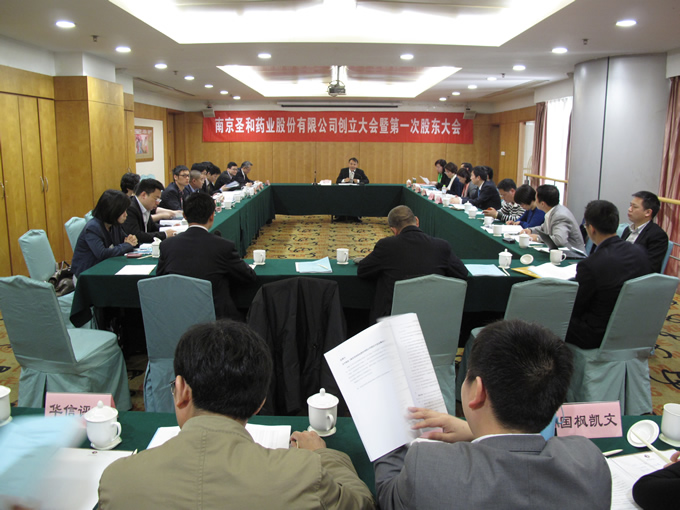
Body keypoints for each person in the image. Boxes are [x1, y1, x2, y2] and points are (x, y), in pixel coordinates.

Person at [98, 320, 375, 510]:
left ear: (181, 391)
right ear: (260, 403)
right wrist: (324, 455)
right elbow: (362, 502)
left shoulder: (117, 480)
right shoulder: (305, 474)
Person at [374, 319, 612, 510]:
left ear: (478, 391)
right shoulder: (588, 461)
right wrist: (472, 431)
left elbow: (388, 496)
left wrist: (388, 423)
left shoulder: (428, 466)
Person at [357, 205, 467, 323]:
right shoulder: (441, 246)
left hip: (393, 320)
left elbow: (363, 270)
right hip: (434, 317)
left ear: (393, 230)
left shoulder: (386, 246)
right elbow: (462, 273)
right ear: (417, 221)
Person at [565, 200, 651, 349]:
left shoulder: (590, 264)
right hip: (634, 326)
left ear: (591, 229)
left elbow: (576, 307)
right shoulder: (640, 252)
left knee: (549, 315)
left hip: (597, 334)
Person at [157, 192, 256, 320]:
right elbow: (248, 276)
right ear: (212, 216)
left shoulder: (166, 245)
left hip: (176, 314)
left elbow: (160, 279)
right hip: (216, 319)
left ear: (184, 216)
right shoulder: (223, 246)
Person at [71, 190, 138, 277]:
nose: (126, 214)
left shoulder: (114, 224)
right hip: (87, 274)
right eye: (123, 211)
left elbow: (126, 240)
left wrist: (132, 240)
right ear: (112, 210)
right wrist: (127, 245)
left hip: (106, 268)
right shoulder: (92, 228)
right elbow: (102, 254)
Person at [521, 184, 586, 253]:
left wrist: (538, 238)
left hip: (573, 255)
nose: (535, 201)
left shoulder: (560, 216)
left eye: (536, 199)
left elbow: (559, 240)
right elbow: (544, 228)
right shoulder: (552, 211)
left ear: (542, 204)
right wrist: (530, 230)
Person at [621, 191, 669, 273]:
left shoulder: (657, 235)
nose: (629, 209)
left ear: (647, 212)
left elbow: (650, 267)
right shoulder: (627, 229)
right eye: (630, 205)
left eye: (634, 207)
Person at [122, 178, 176, 244]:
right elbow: (137, 235)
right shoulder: (130, 208)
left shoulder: (146, 207)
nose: (158, 203)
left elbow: (152, 227)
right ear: (144, 195)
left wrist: (170, 228)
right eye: (156, 199)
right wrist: (165, 234)